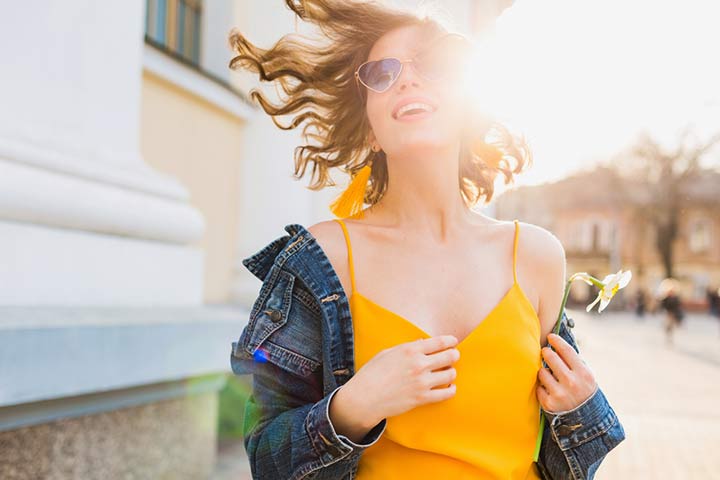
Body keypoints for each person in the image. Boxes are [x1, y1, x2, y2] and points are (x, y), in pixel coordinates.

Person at [228, 1, 625, 478]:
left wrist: (581, 409)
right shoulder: (320, 260)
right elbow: (266, 459)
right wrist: (353, 406)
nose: (407, 79)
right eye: (382, 72)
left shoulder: (536, 256)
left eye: (433, 65)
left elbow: (564, 462)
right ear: (371, 130)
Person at [659, 282, 684, 346]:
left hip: (673, 314)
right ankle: (667, 335)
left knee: (671, 326)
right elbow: (662, 305)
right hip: (667, 313)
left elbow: (678, 306)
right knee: (667, 326)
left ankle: (670, 337)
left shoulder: (675, 298)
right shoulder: (665, 298)